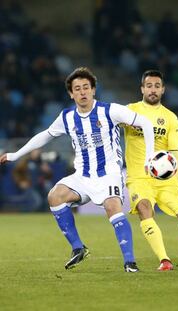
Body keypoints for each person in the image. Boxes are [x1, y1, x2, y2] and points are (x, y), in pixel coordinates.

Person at [0, 67, 155, 272]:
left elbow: (145, 122)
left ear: (93, 90)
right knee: (55, 196)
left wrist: (150, 155)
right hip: (82, 176)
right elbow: (45, 135)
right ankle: (78, 248)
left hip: (108, 174)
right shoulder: (67, 117)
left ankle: (130, 262)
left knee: (112, 207)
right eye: (77, 89)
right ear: (71, 94)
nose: (82, 92)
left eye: (86, 88)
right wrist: (15, 155)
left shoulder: (110, 110)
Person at [123, 70, 178, 271]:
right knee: (144, 208)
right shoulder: (129, 111)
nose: (153, 89)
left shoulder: (170, 118)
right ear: (142, 88)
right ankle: (164, 260)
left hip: (166, 179)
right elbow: (107, 120)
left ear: (163, 89)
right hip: (139, 177)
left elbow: (175, 151)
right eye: (149, 85)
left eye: (157, 86)